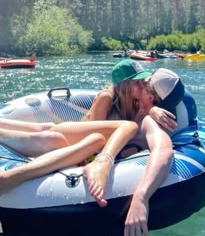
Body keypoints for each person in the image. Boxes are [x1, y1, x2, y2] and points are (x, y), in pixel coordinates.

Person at [0, 58, 174, 236]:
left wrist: (151, 109)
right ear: (124, 86)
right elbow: (96, 129)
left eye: (143, 83)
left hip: (80, 139)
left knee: (49, 131)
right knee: (67, 136)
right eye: (137, 83)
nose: (143, 86)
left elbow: (152, 126)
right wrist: (100, 159)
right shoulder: (107, 98)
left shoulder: (135, 105)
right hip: (78, 135)